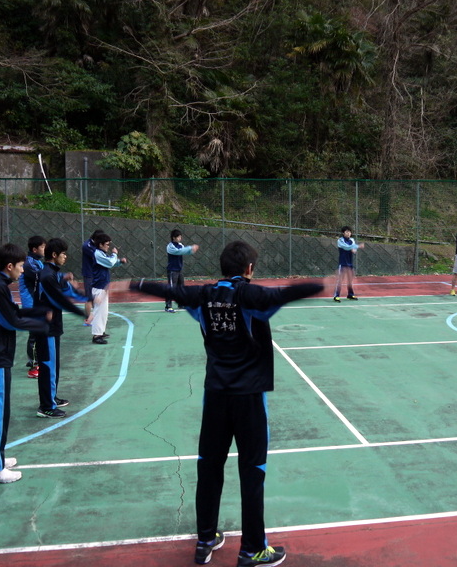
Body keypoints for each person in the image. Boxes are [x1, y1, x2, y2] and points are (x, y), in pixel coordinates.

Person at [134, 240, 323, 567]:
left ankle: (205, 539)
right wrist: (319, 285)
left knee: (209, 467)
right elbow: (285, 294)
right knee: (252, 471)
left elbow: (169, 291)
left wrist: (137, 284)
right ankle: (253, 549)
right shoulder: (251, 296)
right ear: (249, 268)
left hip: (216, 396)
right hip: (249, 398)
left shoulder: (203, 295)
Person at [0, 243, 50, 484]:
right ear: (9, 266)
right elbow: (10, 321)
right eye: (20, 266)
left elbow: (10, 313)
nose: (22, 270)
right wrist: (41, 324)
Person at [33, 238, 90, 418]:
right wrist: (83, 312)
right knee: (48, 366)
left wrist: (86, 297)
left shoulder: (52, 273)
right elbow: (62, 299)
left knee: (53, 365)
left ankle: (52, 398)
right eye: (63, 254)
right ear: (54, 254)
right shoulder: (47, 275)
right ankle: (46, 407)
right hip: (46, 328)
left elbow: (65, 288)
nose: (65, 257)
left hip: (52, 326)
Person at [89, 232, 128, 344]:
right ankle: (96, 335)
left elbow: (111, 263)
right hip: (99, 287)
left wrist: (120, 262)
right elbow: (110, 262)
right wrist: (115, 254)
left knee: (103, 312)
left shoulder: (102, 254)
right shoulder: (98, 254)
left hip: (102, 287)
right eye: (107, 244)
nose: (108, 247)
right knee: (99, 312)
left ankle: (100, 331)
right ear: (100, 244)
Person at [19, 235, 46, 379]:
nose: (44, 249)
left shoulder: (37, 262)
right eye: (42, 247)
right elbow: (43, 278)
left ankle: (35, 361)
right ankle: (34, 367)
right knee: (35, 335)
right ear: (35, 249)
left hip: (37, 303)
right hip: (31, 304)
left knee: (38, 334)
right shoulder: (29, 264)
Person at [165, 228, 199, 313]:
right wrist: (190, 247)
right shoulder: (170, 246)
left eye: (180, 236)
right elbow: (179, 252)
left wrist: (191, 251)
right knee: (171, 288)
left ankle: (181, 304)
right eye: (178, 237)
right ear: (174, 237)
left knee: (181, 288)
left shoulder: (181, 245)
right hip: (172, 270)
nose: (180, 238)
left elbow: (184, 252)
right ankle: (168, 306)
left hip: (179, 270)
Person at [333, 226, 364, 302]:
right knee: (340, 280)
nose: (348, 233)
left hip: (350, 263)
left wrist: (354, 249)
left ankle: (350, 294)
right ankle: (336, 296)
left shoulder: (352, 240)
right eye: (346, 232)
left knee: (350, 280)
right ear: (343, 233)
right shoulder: (340, 240)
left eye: (349, 232)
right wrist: (357, 246)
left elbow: (353, 249)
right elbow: (346, 247)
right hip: (342, 263)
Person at [81, 230, 104, 325]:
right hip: (89, 274)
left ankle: (96, 317)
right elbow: (99, 256)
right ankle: (87, 320)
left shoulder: (97, 245)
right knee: (89, 298)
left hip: (96, 274)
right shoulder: (87, 246)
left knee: (97, 296)